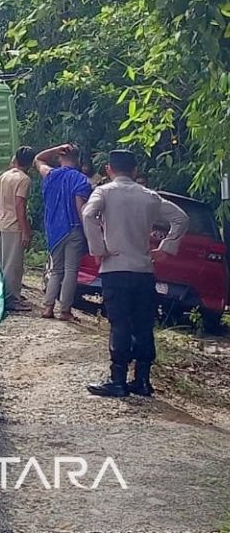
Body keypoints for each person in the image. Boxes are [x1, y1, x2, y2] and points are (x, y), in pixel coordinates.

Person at [81, 150, 188, 397]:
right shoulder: (150, 196)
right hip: (143, 269)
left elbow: (88, 214)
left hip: (115, 268)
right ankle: (142, 380)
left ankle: (117, 379)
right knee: (143, 324)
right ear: (135, 170)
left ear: (109, 169)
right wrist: (166, 247)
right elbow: (181, 218)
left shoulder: (104, 192)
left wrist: (98, 249)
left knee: (119, 323)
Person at [34, 144, 94, 322]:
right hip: (74, 227)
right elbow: (79, 206)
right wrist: (88, 232)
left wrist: (55, 149)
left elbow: (38, 159)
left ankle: (47, 307)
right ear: (77, 160)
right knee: (70, 271)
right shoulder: (82, 180)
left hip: (54, 230)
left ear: (60, 158)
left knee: (56, 270)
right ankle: (65, 310)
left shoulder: (50, 175)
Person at [0, 146, 35, 312]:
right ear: (30, 163)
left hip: (0, 224)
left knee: (5, 263)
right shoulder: (24, 179)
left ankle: (7, 296)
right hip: (14, 226)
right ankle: (11, 300)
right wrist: (26, 231)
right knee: (13, 266)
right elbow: (20, 206)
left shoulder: (7, 175)